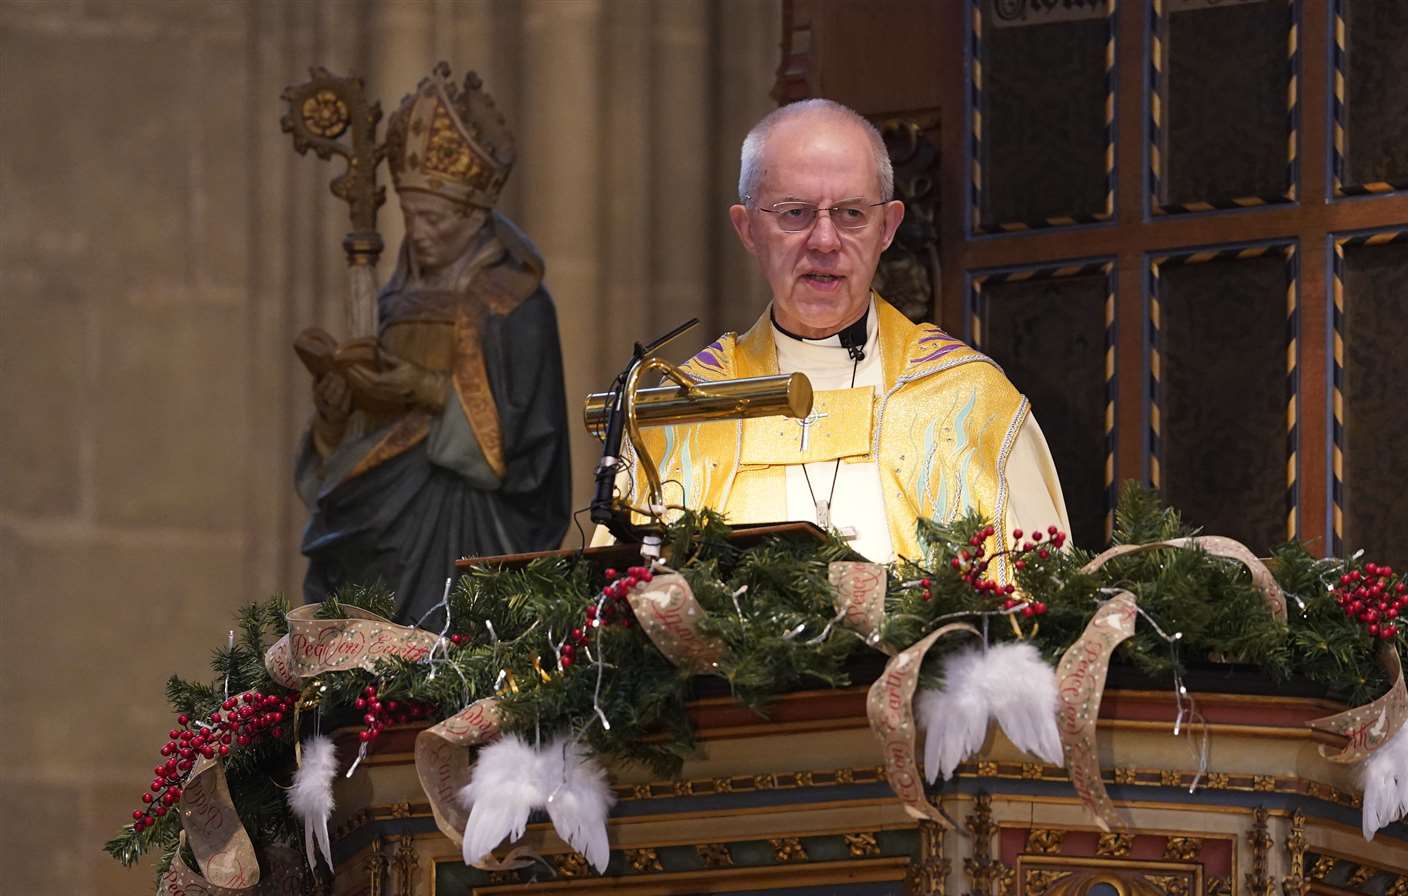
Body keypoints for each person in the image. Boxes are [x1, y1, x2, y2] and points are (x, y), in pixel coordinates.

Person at [612, 98, 1067, 574]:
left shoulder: (968, 402)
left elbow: (1042, 612)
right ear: (747, 229)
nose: (825, 241)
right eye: (794, 213)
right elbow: (612, 607)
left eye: (851, 213)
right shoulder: (686, 410)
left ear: (888, 227)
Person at [296, 63, 570, 622]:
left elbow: (528, 453)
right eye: (411, 215)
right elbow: (363, 434)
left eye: (434, 218)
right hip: (378, 523)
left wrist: (425, 389)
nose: (418, 231)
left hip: (465, 524)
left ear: (474, 215)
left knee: (444, 648)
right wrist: (333, 418)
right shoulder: (393, 300)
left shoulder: (515, 305)